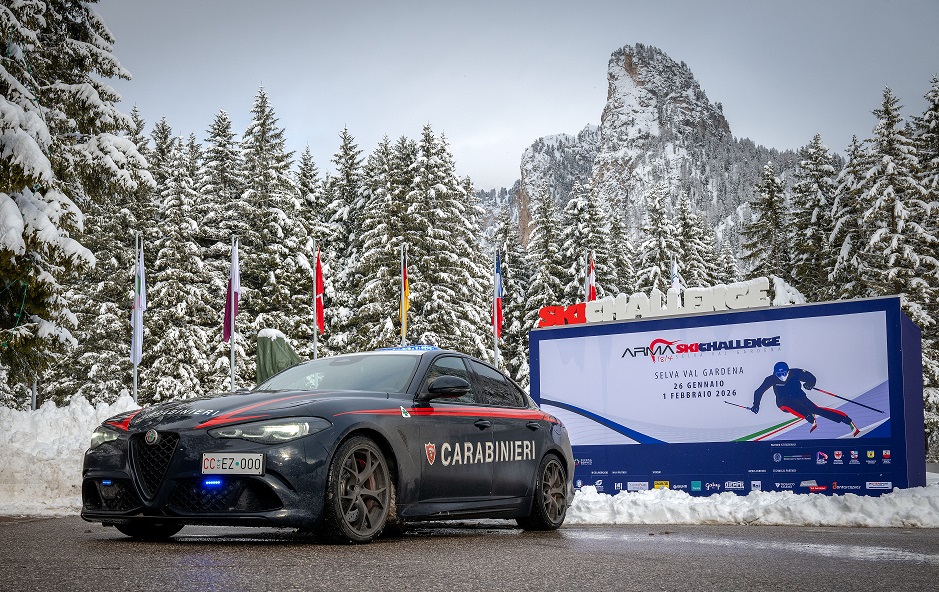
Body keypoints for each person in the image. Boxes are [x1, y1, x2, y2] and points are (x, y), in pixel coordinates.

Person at [752, 362, 860, 437]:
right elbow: (759, 391)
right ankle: (808, 416)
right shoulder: (771, 379)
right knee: (785, 404)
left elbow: (811, 377)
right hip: (783, 401)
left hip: (799, 397)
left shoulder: (795, 373)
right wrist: (756, 404)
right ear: (774, 373)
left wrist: (809, 384)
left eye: (783, 373)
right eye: (778, 374)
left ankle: (846, 420)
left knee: (816, 409)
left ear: (788, 371)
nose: (781, 377)